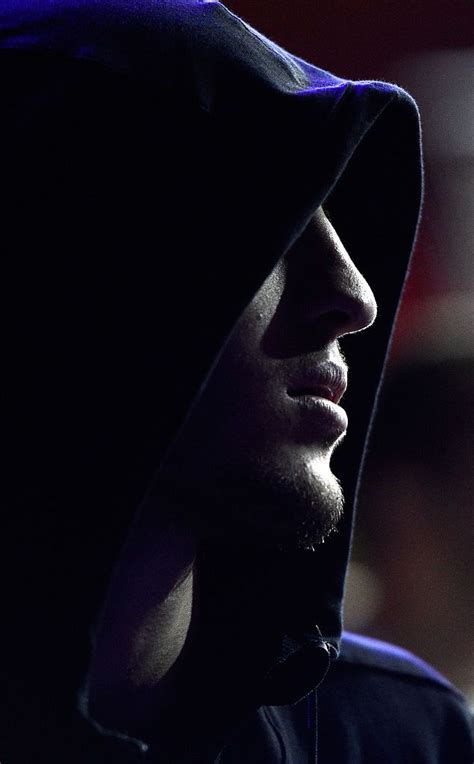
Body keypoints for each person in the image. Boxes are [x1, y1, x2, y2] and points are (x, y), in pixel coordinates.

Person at [0, 1, 472, 762]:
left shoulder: (404, 740)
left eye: (335, 217)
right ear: (68, 260)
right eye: (269, 224)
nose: (355, 297)